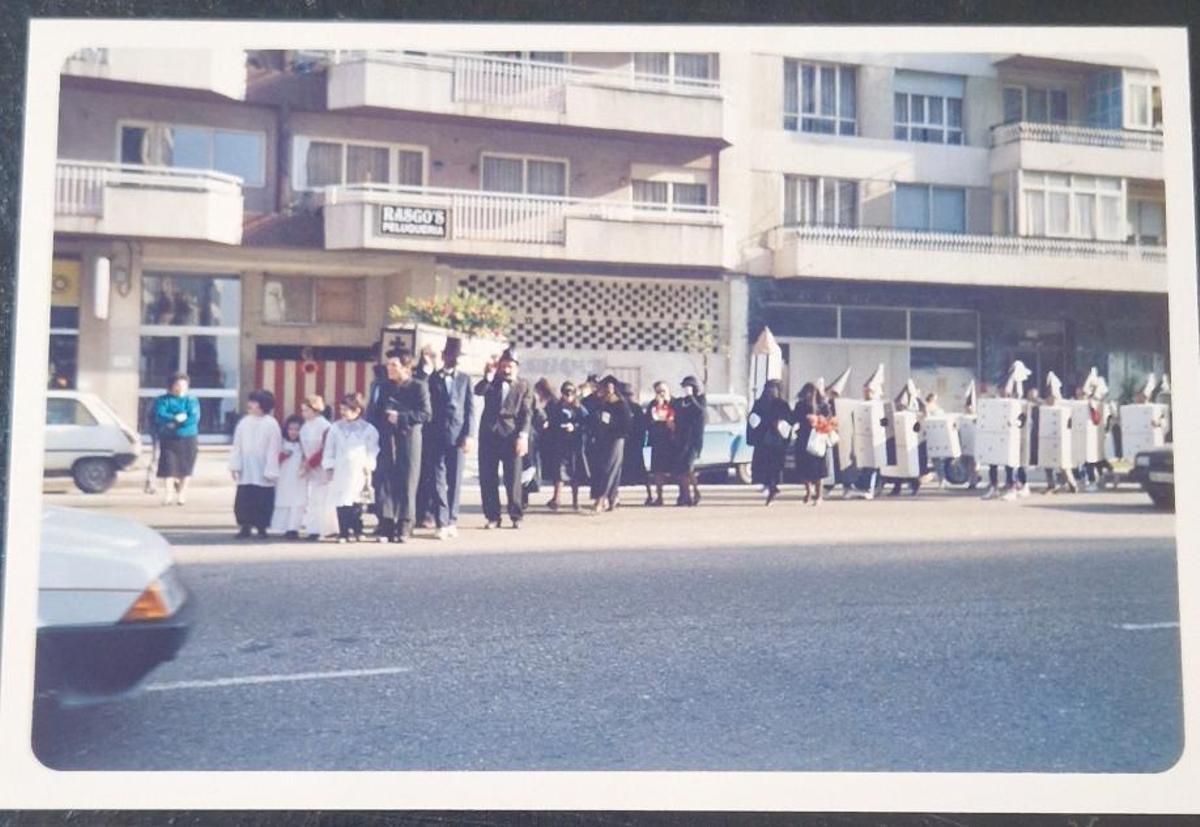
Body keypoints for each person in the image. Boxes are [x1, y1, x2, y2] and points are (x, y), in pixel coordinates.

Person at [370, 350, 432, 543]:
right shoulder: (383, 386)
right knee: (384, 480)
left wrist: (402, 417)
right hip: (386, 438)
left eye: (394, 365)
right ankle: (386, 523)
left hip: (409, 437)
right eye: (388, 365)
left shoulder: (418, 386)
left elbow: (426, 414)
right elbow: (373, 412)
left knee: (407, 481)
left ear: (406, 367)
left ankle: (405, 524)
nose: (389, 369)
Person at [420, 337, 476, 540]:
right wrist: (427, 367)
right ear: (445, 356)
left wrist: (469, 435)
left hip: (458, 435)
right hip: (436, 435)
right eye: (455, 355)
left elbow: (470, 409)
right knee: (438, 480)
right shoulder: (432, 378)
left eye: (460, 356)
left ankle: (452, 519)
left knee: (455, 479)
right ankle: (441, 521)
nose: (458, 360)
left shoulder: (465, 379)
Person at [475, 348, 534, 529]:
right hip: (489, 435)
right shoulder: (492, 383)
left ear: (516, 367)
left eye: (510, 366)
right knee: (488, 477)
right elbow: (478, 390)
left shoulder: (524, 385)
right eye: (504, 366)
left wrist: (523, 436)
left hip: (511, 435)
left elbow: (527, 413)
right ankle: (492, 516)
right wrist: (488, 376)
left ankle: (516, 515)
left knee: (513, 477)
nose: (507, 370)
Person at [323, 392, 380, 543]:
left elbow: (372, 449)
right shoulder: (335, 428)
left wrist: (369, 465)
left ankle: (357, 529)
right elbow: (329, 448)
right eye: (341, 409)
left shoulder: (368, 429)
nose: (342, 413)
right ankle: (343, 532)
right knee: (341, 500)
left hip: (358, 469)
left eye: (346, 409)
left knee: (356, 501)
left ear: (357, 411)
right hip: (341, 468)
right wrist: (329, 466)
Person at [229, 389, 282, 540]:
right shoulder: (244, 422)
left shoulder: (271, 424)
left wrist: (271, 469)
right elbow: (237, 445)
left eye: (254, 402)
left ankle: (262, 527)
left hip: (262, 466)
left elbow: (274, 448)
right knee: (245, 497)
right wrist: (235, 465)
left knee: (262, 498)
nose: (250, 405)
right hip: (247, 467)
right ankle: (245, 526)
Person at [152, 372, 201, 506]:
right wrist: (175, 418)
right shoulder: (163, 400)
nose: (181, 388)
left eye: (184, 385)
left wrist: (176, 422)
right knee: (168, 467)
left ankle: (182, 494)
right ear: (171, 386)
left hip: (188, 437)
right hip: (169, 438)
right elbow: (160, 415)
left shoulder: (192, 400)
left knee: (186, 467)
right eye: (178, 385)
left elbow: (193, 418)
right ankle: (168, 494)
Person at [587, 375, 633, 513]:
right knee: (603, 468)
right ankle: (612, 498)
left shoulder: (621, 404)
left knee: (610, 468)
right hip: (602, 440)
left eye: (609, 388)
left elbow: (627, 425)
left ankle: (601, 499)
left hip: (616, 440)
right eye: (604, 387)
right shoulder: (601, 403)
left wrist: (612, 426)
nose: (606, 390)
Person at [747, 379, 792, 505]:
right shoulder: (759, 403)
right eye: (769, 389)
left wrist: (781, 422)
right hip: (763, 440)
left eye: (773, 389)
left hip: (777, 440)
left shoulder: (782, 404)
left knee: (775, 466)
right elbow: (753, 418)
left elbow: (790, 419)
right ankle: (768, 485)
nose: (771, 392)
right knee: (763, 465)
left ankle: (773, 486)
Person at [545, 381, 589, 511]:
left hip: (574, 445)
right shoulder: (556, 407)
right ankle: (556, 499)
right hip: (559, 443)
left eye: (570, 393)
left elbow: (587, 424)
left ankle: (575, 501)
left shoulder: (579, 408)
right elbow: (550, 421)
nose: (568, 395)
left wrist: (574, 427)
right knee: (559, 473)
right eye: (565, 393)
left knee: (575, 473)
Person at [299, 395, 337, 541]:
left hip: (323, 467)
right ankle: (313, 528)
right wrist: (305, 462)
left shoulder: (325, 426)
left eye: (307, 410)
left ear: (316, 410)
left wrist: (311, 463)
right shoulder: (305, 426)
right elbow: (304, 447)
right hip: (311, 467)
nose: (304, 414)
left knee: (325, 498)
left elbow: (325, 449)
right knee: (313, 498)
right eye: (303, 410)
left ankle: (328, 528)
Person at [413, 344, 441, 529]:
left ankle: (431, 513)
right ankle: (418, 512)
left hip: (436, 431)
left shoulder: (440, 376)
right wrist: (425, 371)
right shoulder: (417, 376)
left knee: (434, 475)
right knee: (418, 474)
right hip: (419, 430)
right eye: (427, 355)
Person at [792, 382, 832, 506]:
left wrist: (819, 419)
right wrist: (805, 418)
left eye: (812, 392)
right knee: (804, 468)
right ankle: (808, 491)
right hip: (803, 437)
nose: (809, 395)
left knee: (818, 469)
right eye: (807, 392)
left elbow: (830, 418)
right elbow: (794, 418)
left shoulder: (822, 405)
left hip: (818, 438)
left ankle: (819, 495)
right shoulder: (800, 405)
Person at [270, 415, 307, 539]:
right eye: (291, 429)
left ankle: (294, 528)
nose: (293, 432)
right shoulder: (281, 443)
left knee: (298, 502)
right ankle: (284, 526)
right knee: (284, 500)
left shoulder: (303, 445)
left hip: (299, 477)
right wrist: (283, 455)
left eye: (297, 429)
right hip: (284, 477)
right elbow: (273, 459)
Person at [674, 376, 707, 507]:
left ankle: (696, 491)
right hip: (681, 438)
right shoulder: (682, 401)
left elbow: (700, 413)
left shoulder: (700, 399)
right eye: (684, 387)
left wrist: (691, 396)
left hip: (694, 439)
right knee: (681, 469)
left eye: (688, 386)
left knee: (688, 467)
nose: (686, 389)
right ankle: (685, 495)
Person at [643, 381, 678, 506]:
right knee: (657, 471)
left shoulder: (675, 403)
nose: (661, 394)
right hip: (658, 441)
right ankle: (659, 496)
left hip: (672, 441)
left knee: (677, 469)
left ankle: (683, 495)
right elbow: (646, 422)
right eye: (658, 391)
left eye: (663, 390)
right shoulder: (652, 404)